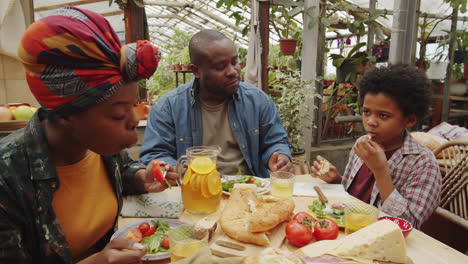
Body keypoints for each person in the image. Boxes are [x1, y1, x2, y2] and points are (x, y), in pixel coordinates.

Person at [0, 7, 178, 263]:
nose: (134, 121)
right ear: (67, 116)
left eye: (133, 106)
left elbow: (123, 169)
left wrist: (142, 177)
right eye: (118, 115)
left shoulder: (97, 147)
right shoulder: (7, 181)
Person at [140, 29, 292, 178]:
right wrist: (177, 169)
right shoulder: (168, 108)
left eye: (235, 62)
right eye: (220, 67)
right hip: (196, 193)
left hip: (248, 192)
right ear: (196, 71)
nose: (233, 71)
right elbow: (155, 154)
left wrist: (279, 156)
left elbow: (276, 140)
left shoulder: (257, 100)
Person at [311, 64, 442, 228]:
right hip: (348, 229)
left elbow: (408, 224)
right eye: (366, 112)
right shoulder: (363, 145)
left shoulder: (423, 164)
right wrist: (336, 180)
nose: (371, 122)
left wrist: (381, 172)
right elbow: (356, 197)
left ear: (409, 120)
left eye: (383, 115)